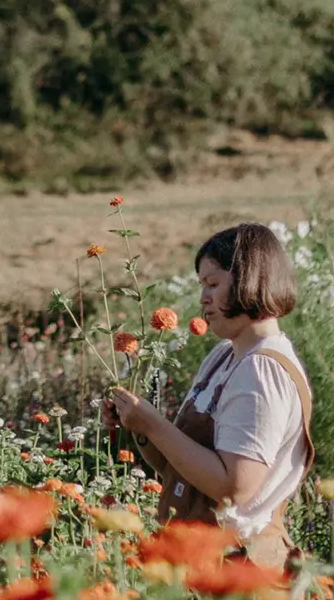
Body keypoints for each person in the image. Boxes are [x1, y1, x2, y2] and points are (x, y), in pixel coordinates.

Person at [106, 223, 314, 570]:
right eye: (203, 285)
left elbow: (234, 488)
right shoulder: (224, 356)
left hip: (237, 568)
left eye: (213, 284)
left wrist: (156, 426)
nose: (203, 298)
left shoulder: (262, 371)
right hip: (200, 556)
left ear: (251, 279)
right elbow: (181, 469)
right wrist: (138, 424)